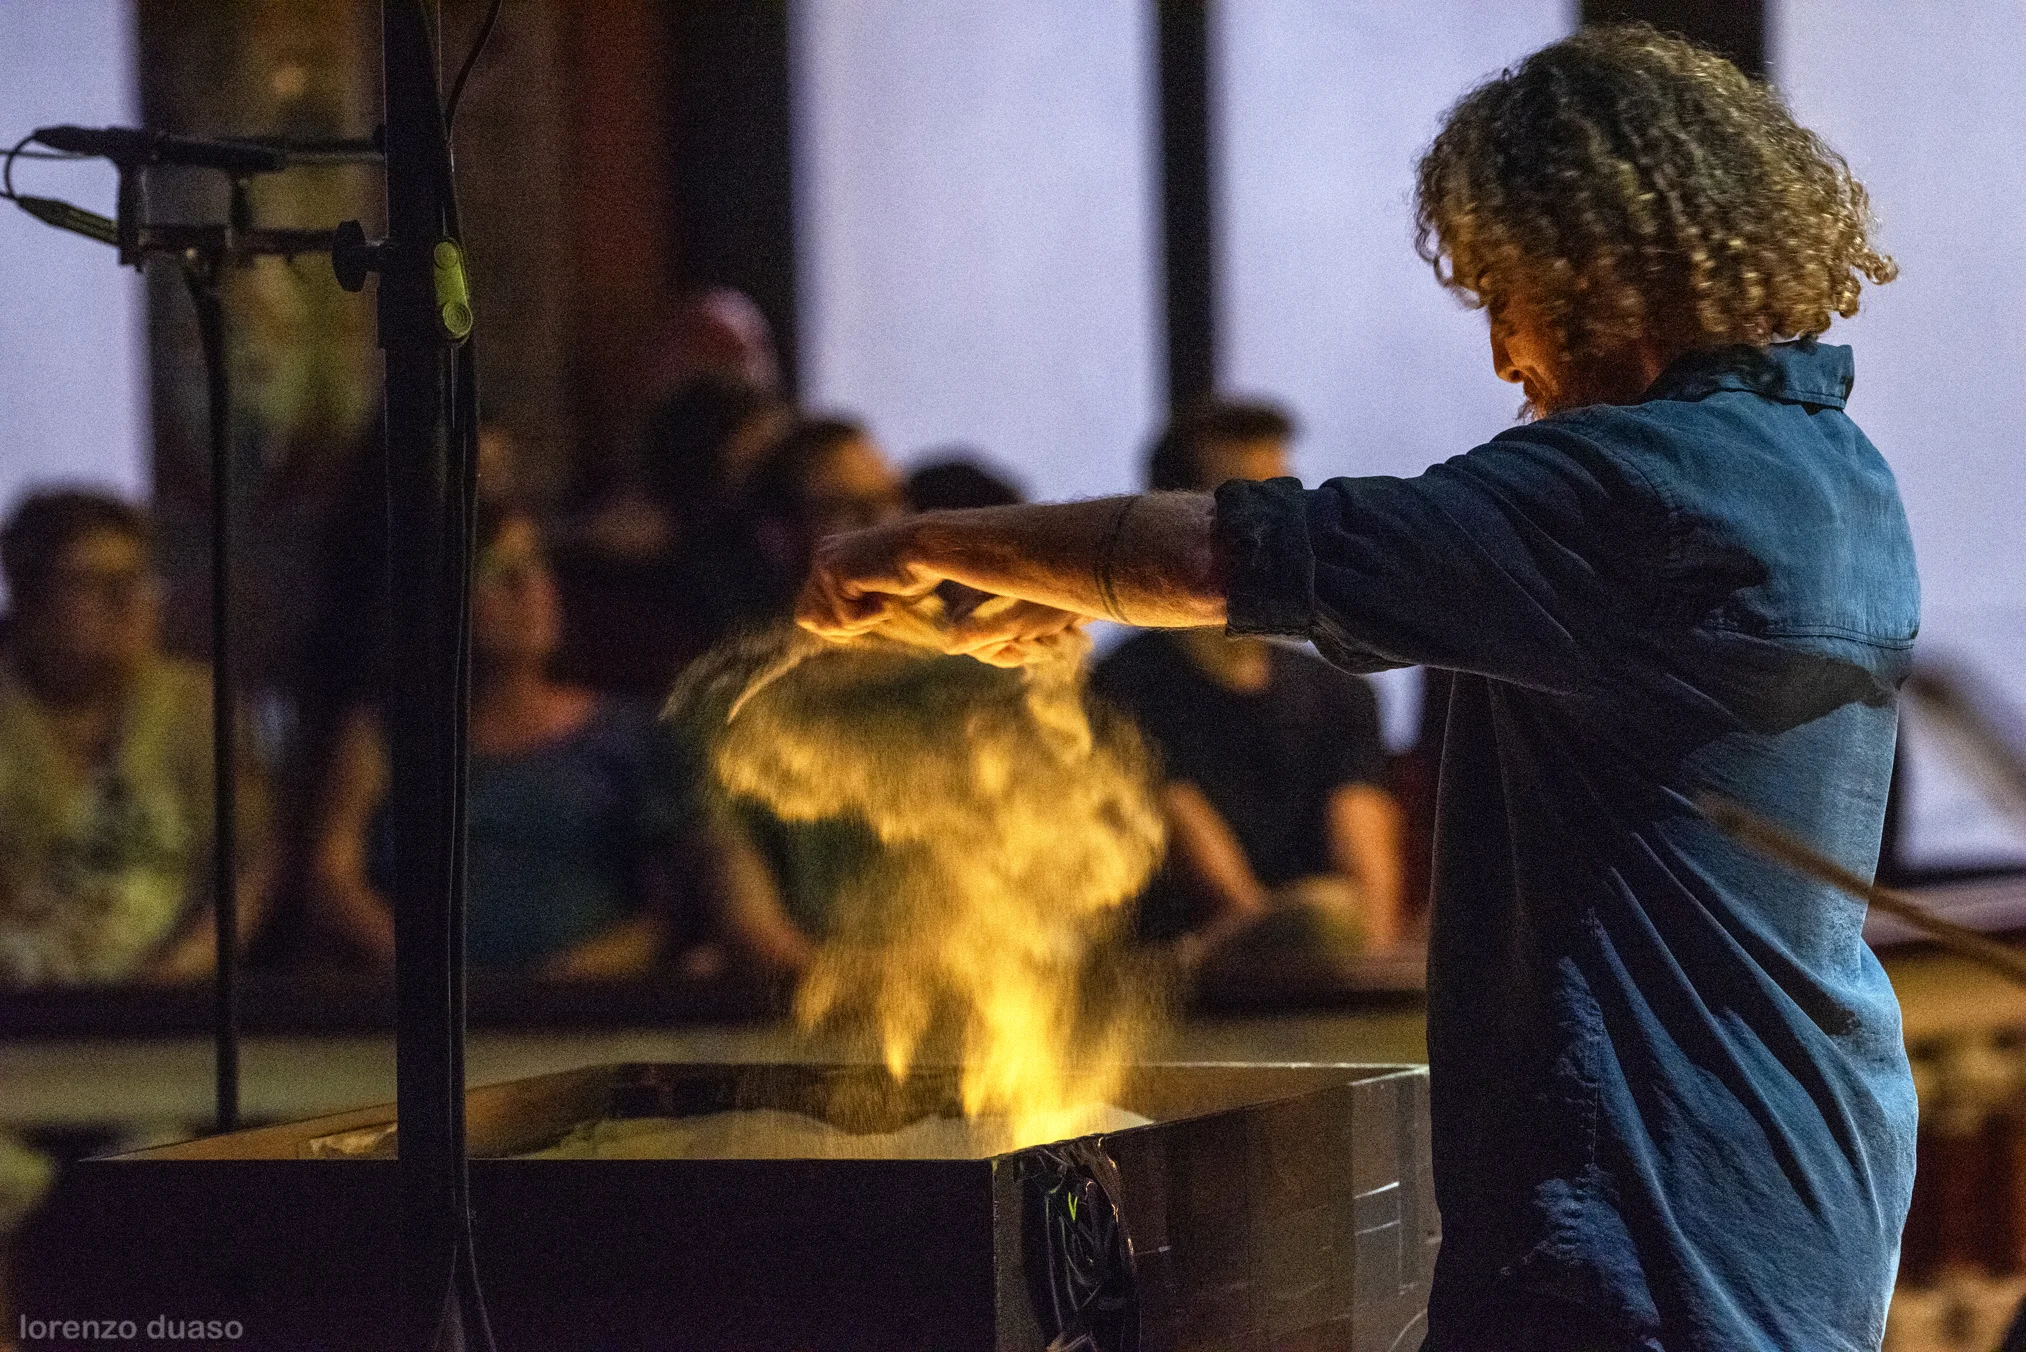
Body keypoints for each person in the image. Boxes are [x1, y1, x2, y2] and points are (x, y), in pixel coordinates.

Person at [797, 27, 1915, 1351]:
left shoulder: (1639, 495)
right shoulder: (1830, 470)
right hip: (1802, 1180)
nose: (1505, 357)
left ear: (1592, 274)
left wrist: (929, 543)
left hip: (1645, 1208)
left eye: (1505, 294)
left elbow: (1253, 548)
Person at [1094, 402, 1404, 969]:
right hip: (1190, 979)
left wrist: (1369, 977)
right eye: (1246, 503)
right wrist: (1289, 937)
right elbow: (1201, 857)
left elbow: (1365, 846)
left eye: (1284, 501)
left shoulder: (1337, 690)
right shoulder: (1123, 684)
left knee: (1332, 914)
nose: (1274, 526)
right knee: (1319, 915)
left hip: (1326, 971)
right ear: (1175, 519)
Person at [308, 502, 673, 978]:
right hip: (418, 1015)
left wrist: (561, 980)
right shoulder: (386, 734)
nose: (531, 587)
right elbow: (333, 877)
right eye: (499, 571)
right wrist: (431, 974)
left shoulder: (630, 735)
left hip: (586, 1015)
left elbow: (668, 909)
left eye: (538, 563)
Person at [0, 490, 272, 985]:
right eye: (94, 582)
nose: (127, 601)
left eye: (137, 580)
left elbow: (252, 865)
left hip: (171, 1005)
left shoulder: (195, 708)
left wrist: (176, 976)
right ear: (30, 597)